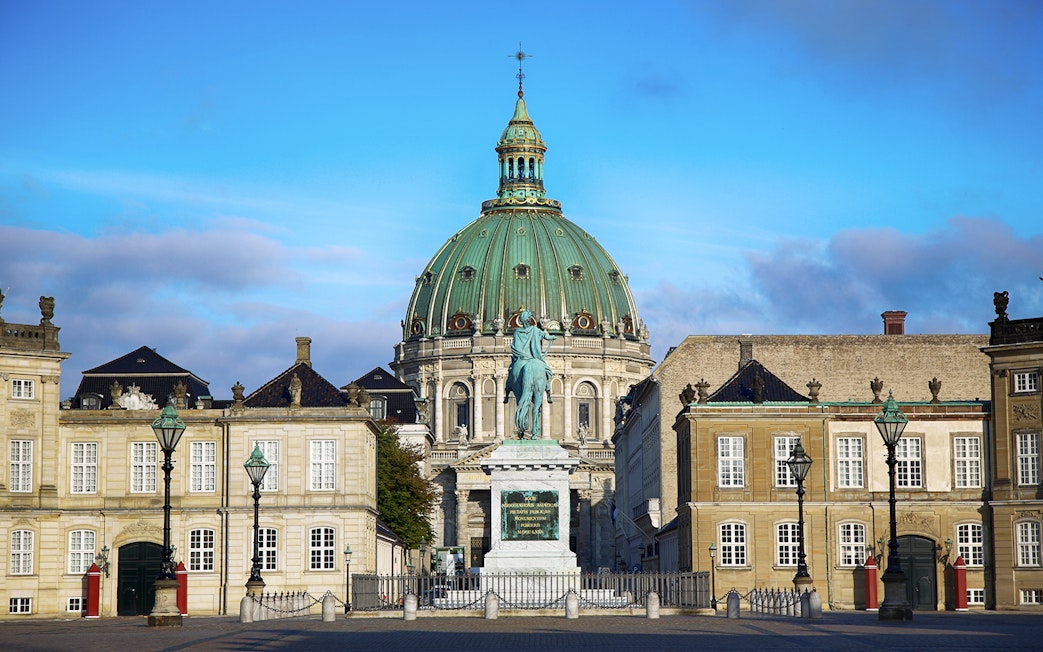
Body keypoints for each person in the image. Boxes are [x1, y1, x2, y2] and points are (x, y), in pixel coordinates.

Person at [504, 310, 555, 404]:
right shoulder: (534, 330)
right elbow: (546, 336)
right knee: (546, 372)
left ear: (521, 321)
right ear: (529, 320)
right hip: (534, 357)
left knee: (511, 372)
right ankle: (547, 387)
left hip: (521, 358)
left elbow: (515, 348)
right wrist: (552, 337)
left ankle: (507, 393)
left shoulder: (517, 332)